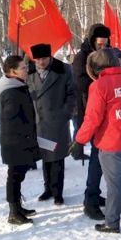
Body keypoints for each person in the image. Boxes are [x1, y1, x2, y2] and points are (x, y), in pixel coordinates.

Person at [70, 49, 121, 232]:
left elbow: (92, 119)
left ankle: (112, 222)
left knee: (114, 185)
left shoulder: (99, 86)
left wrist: (79, 140)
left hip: (111, 142)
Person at [27, 43, 75, 206]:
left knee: (57, 159)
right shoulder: (30, 72)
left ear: (50, 57)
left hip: (57, 122)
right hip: (39, 122)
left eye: (44, 58)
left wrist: (65, 114)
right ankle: (47, 188)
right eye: (38, 59)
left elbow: (72, 94)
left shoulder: (63, 70)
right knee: (46, 158)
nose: (41, 62)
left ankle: (58, 192)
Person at [72, 24, 111, 219]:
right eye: (99, 44)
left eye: (105, 44)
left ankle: (94, 193)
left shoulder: (107, 55)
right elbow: (81, 84)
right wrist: (102, 82)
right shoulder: (81, 58)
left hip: (107, 111)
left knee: (102, 158)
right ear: (92, 41)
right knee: (97, 158)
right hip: (91, 111)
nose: (102, 47)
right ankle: (90, 200)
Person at [0, 55, 40, 225]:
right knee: (14, 177)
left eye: (26, 67)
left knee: (18, 175)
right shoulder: (12, 92)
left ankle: (18, 207)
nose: (26, 70)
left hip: (19, 141)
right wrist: (27, 134)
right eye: (23, 68)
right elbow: (12, 120)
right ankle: (13, 212)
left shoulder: (18, 87)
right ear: (12, 71)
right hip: (15, 142)